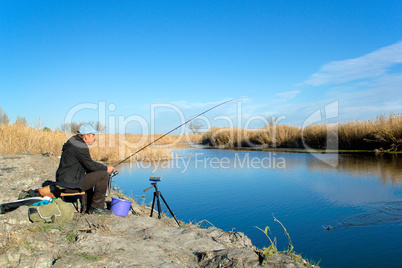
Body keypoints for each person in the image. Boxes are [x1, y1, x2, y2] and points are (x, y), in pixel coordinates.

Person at [55, 124, 115, 215]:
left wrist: (100, 168)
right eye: (93, 135)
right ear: (86, 136)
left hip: (64, 181)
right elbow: (90, 165)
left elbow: (88, 165)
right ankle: (96, 208)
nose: (94, 138)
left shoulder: (74, 141)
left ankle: (89, 204)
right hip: (69, 185)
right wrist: (106, 168)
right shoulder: (80, 146)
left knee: (93, 173)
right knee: (104, 175)